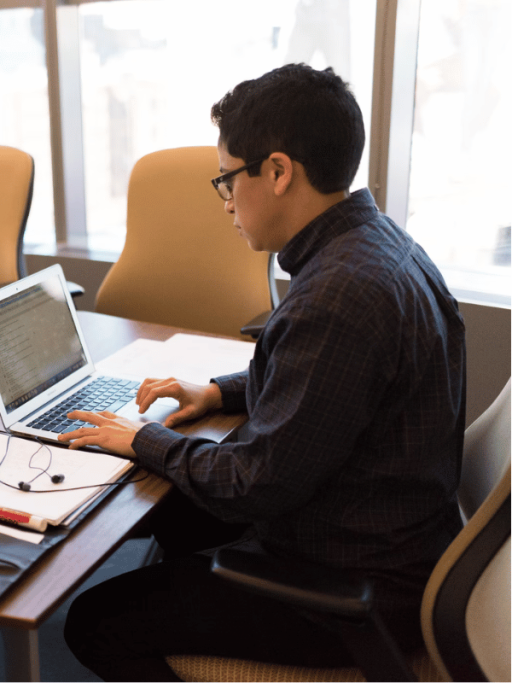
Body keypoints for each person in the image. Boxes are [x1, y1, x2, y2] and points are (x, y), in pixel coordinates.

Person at [58, 63, 466, 681]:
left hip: (352, 586)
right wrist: (219, 391)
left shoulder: (338, 295)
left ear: (277, 172)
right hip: (388, 535)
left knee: (95, 620)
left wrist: (144, 439)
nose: (225, 203)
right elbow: (332, 385)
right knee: (166, 508)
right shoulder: (378, 247)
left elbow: (256, 483)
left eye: (226, 180)